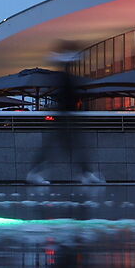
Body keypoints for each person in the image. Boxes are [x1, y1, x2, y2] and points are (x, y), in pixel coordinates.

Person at [27, 50, 99, 185]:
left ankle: (85, 173)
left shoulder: (62, 78)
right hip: (66, 116)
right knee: (71, 146)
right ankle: (86, 173)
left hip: (65, 116)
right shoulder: (66, 78)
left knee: (64, 146)